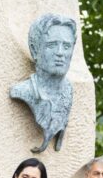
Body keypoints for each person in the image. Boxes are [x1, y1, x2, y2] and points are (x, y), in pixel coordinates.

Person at [10, 14, 77, 153]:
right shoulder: (23, 91)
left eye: (66, 46)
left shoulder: (69, 91)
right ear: (35, 50)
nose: (60, 53)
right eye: (52, 45)